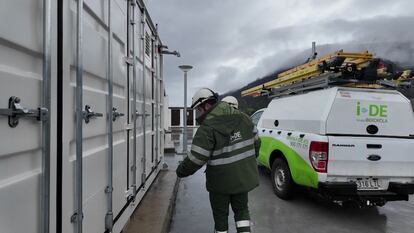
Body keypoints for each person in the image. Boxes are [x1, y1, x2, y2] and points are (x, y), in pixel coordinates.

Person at [176, 88, 260, 233]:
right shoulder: (244, 118)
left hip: (220, 184)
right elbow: (257, 143)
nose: (199, 113)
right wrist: (245, 164)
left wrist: (180, 171)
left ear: (206, 106)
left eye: (198, 109)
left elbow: (196, 159)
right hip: (242, 179)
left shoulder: (207, 128)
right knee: (242, 212)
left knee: (221, 216)